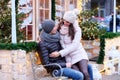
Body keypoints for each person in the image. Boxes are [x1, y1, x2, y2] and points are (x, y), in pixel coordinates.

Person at [50, 10, 93, 80]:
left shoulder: (77, 30)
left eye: (69, 22)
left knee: (85, 72)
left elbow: (75, 45)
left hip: (79, 54)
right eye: (65, 21)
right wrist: (41, 37)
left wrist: (60, 53)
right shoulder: (59, 27)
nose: (66, 23)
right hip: (69, 58)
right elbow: (50, 30)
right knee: (79, 75)